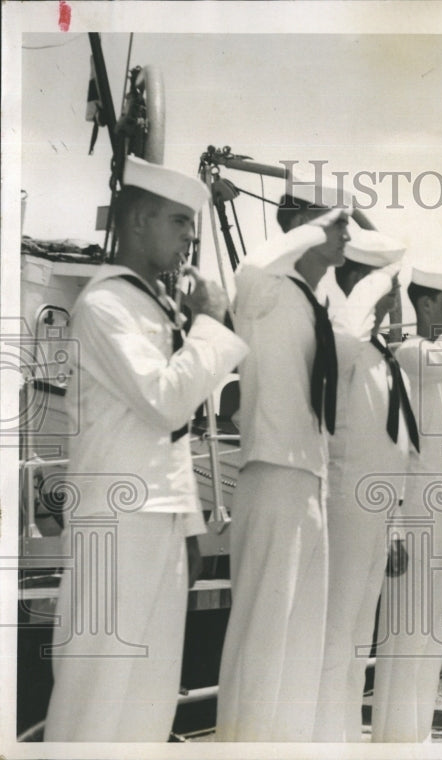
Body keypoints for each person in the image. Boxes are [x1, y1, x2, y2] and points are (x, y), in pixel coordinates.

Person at [44, 157, 248, 741]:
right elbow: (166, 401)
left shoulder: (149, 306)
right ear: (138, 221)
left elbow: (172, 439)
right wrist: (210, 323)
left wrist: (188, 525)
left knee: (150, 696)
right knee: (96, 691)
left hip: (156, 523)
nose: (190, 236)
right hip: (115, 521)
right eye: (180, 221)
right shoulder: (105, 305)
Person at [215, 177, 392, 742]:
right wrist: (324, 221)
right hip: (272, 474)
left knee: (300, 645)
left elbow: (348, 342)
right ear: (298, 228)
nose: (343, 232)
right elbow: (253, 264)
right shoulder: (266, 288)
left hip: (310, 482)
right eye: (329, 223)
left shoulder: (314, 304)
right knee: (264, 639)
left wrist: (377, 277)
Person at [371, 267, 442, 743]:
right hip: (415, 512)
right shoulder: (412, 354)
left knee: (431, 629)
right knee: (405, 629)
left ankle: (416, 735)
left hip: (441, 513)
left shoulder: (438, 364)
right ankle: (393, 739)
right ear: (425, 306)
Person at [314, 227, 413, 742]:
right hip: (344, 503)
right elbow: (344, 342)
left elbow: (393, 446)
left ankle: (346, 742)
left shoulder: (377, 353)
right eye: (387, 291)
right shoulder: (339, 336)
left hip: (376, 513)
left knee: (357, 638)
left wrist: (394, 522)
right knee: (335, 636)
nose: (394, 304)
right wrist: (370, 292)